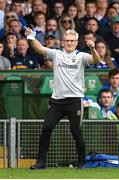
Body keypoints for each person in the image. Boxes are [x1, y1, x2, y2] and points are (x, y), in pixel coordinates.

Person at [25, 28, 100, 169]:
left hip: (75, 100)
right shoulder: (57, 54)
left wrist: (93, 48)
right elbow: (40, 49)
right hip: (57, 100)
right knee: (46, 128)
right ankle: (41, 162)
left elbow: (96, 59)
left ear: (77, 43)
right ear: (62, 42)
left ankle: (82, 162)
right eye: (67, 40)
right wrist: (30, 36)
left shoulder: (82, 56)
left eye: (72, 41)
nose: (69, 43)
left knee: (76, 132)